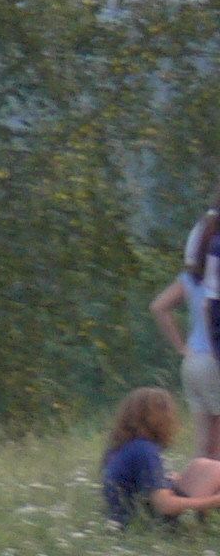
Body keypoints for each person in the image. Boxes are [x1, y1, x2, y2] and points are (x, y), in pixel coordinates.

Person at [153, 199, 220, 462]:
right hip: (214, 360)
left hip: (192, 364)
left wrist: (182, 348)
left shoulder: (190, 280)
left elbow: (159, 307)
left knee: (202, 446)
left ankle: (195, 487)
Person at [103, 386, 220, 526]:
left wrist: (166, 481)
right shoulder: (144, 449)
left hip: (131, 514)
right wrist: (214, 501)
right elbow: (164, 505)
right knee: (216, 470)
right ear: (157, 419)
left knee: (199, 464)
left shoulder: (125, 447)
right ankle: (197, 521)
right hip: (147, 523)